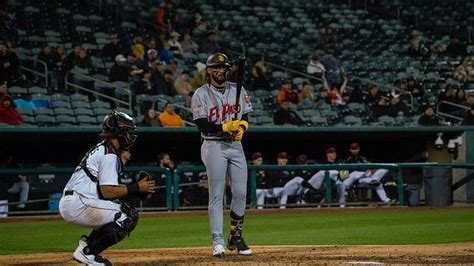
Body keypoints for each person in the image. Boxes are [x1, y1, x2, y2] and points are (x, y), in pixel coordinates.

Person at [59, 111, 156, 265]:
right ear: (119, 132)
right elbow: (107, 191)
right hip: (79, 203)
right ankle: (87, 253)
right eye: (128, 132)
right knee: (127, 216)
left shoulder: (103, 148)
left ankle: (86, 248)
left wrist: (135, 191)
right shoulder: (109, 154)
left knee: (121, 210)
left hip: (78, 200)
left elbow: (105, 193)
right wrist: (137, 187)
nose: (131, 136)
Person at [191, 53, 253, 257]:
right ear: (208, 70)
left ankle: (235, 237)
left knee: (241, 193)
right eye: (216, 67)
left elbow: (244, 116)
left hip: (235, 145)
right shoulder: (200, 93)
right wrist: (225, 126)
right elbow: (201, 124)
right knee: (217, 194)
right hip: (213, 145)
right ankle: (217, 240)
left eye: (223, 67)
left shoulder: (237, 89)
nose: (220, 70)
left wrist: (242, 126)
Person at [339, 143, 392, 207]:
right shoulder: (346, 159)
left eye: (356, 148)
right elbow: (343, 174)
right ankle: (373, 180)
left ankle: (386, 201)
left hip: (364, 179)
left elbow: (371, 167)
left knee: (378, 181)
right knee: (355, 173)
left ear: (359, 149)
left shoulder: (362, 158)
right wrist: (345, 178)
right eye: (353, 149)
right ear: (350, 149)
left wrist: (371, 170)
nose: (355, 150)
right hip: (351, 179)